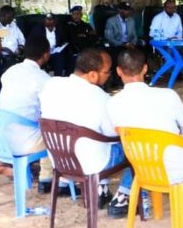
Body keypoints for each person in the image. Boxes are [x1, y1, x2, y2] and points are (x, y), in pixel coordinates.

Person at [39, 48, 133, 217]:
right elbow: (113, 135)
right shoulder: (101, 97)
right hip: (91, 163)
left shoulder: (51, 85)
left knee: (95, 143)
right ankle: (123, 197)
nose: (109, 75)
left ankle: (101, 190)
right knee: (134, 148)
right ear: (92, 75)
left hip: (60, 160)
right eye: (107, 71)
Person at [106, 48, 183, 205]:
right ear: (145, 68)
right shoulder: (167, 95)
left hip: (141, 169)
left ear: (118, 71)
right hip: (175, 169)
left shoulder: (112, 103)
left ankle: (127, 191)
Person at [0, 36, 73, 195]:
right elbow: (53, 111)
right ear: (46, 55)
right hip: (25, 142)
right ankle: (63, 183)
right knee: (61, 130)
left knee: (44, 128)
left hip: (1, 139)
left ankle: (45, 179)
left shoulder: (9, 72)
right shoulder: (43, 79)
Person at [0, 5, 25, 79]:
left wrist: (20, 47)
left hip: (16, 56)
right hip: (1, 57)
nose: (13, 18)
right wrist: (4, 50)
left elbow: (22, 39)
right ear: (2, 15)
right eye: (11, 16)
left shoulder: (13, 25)